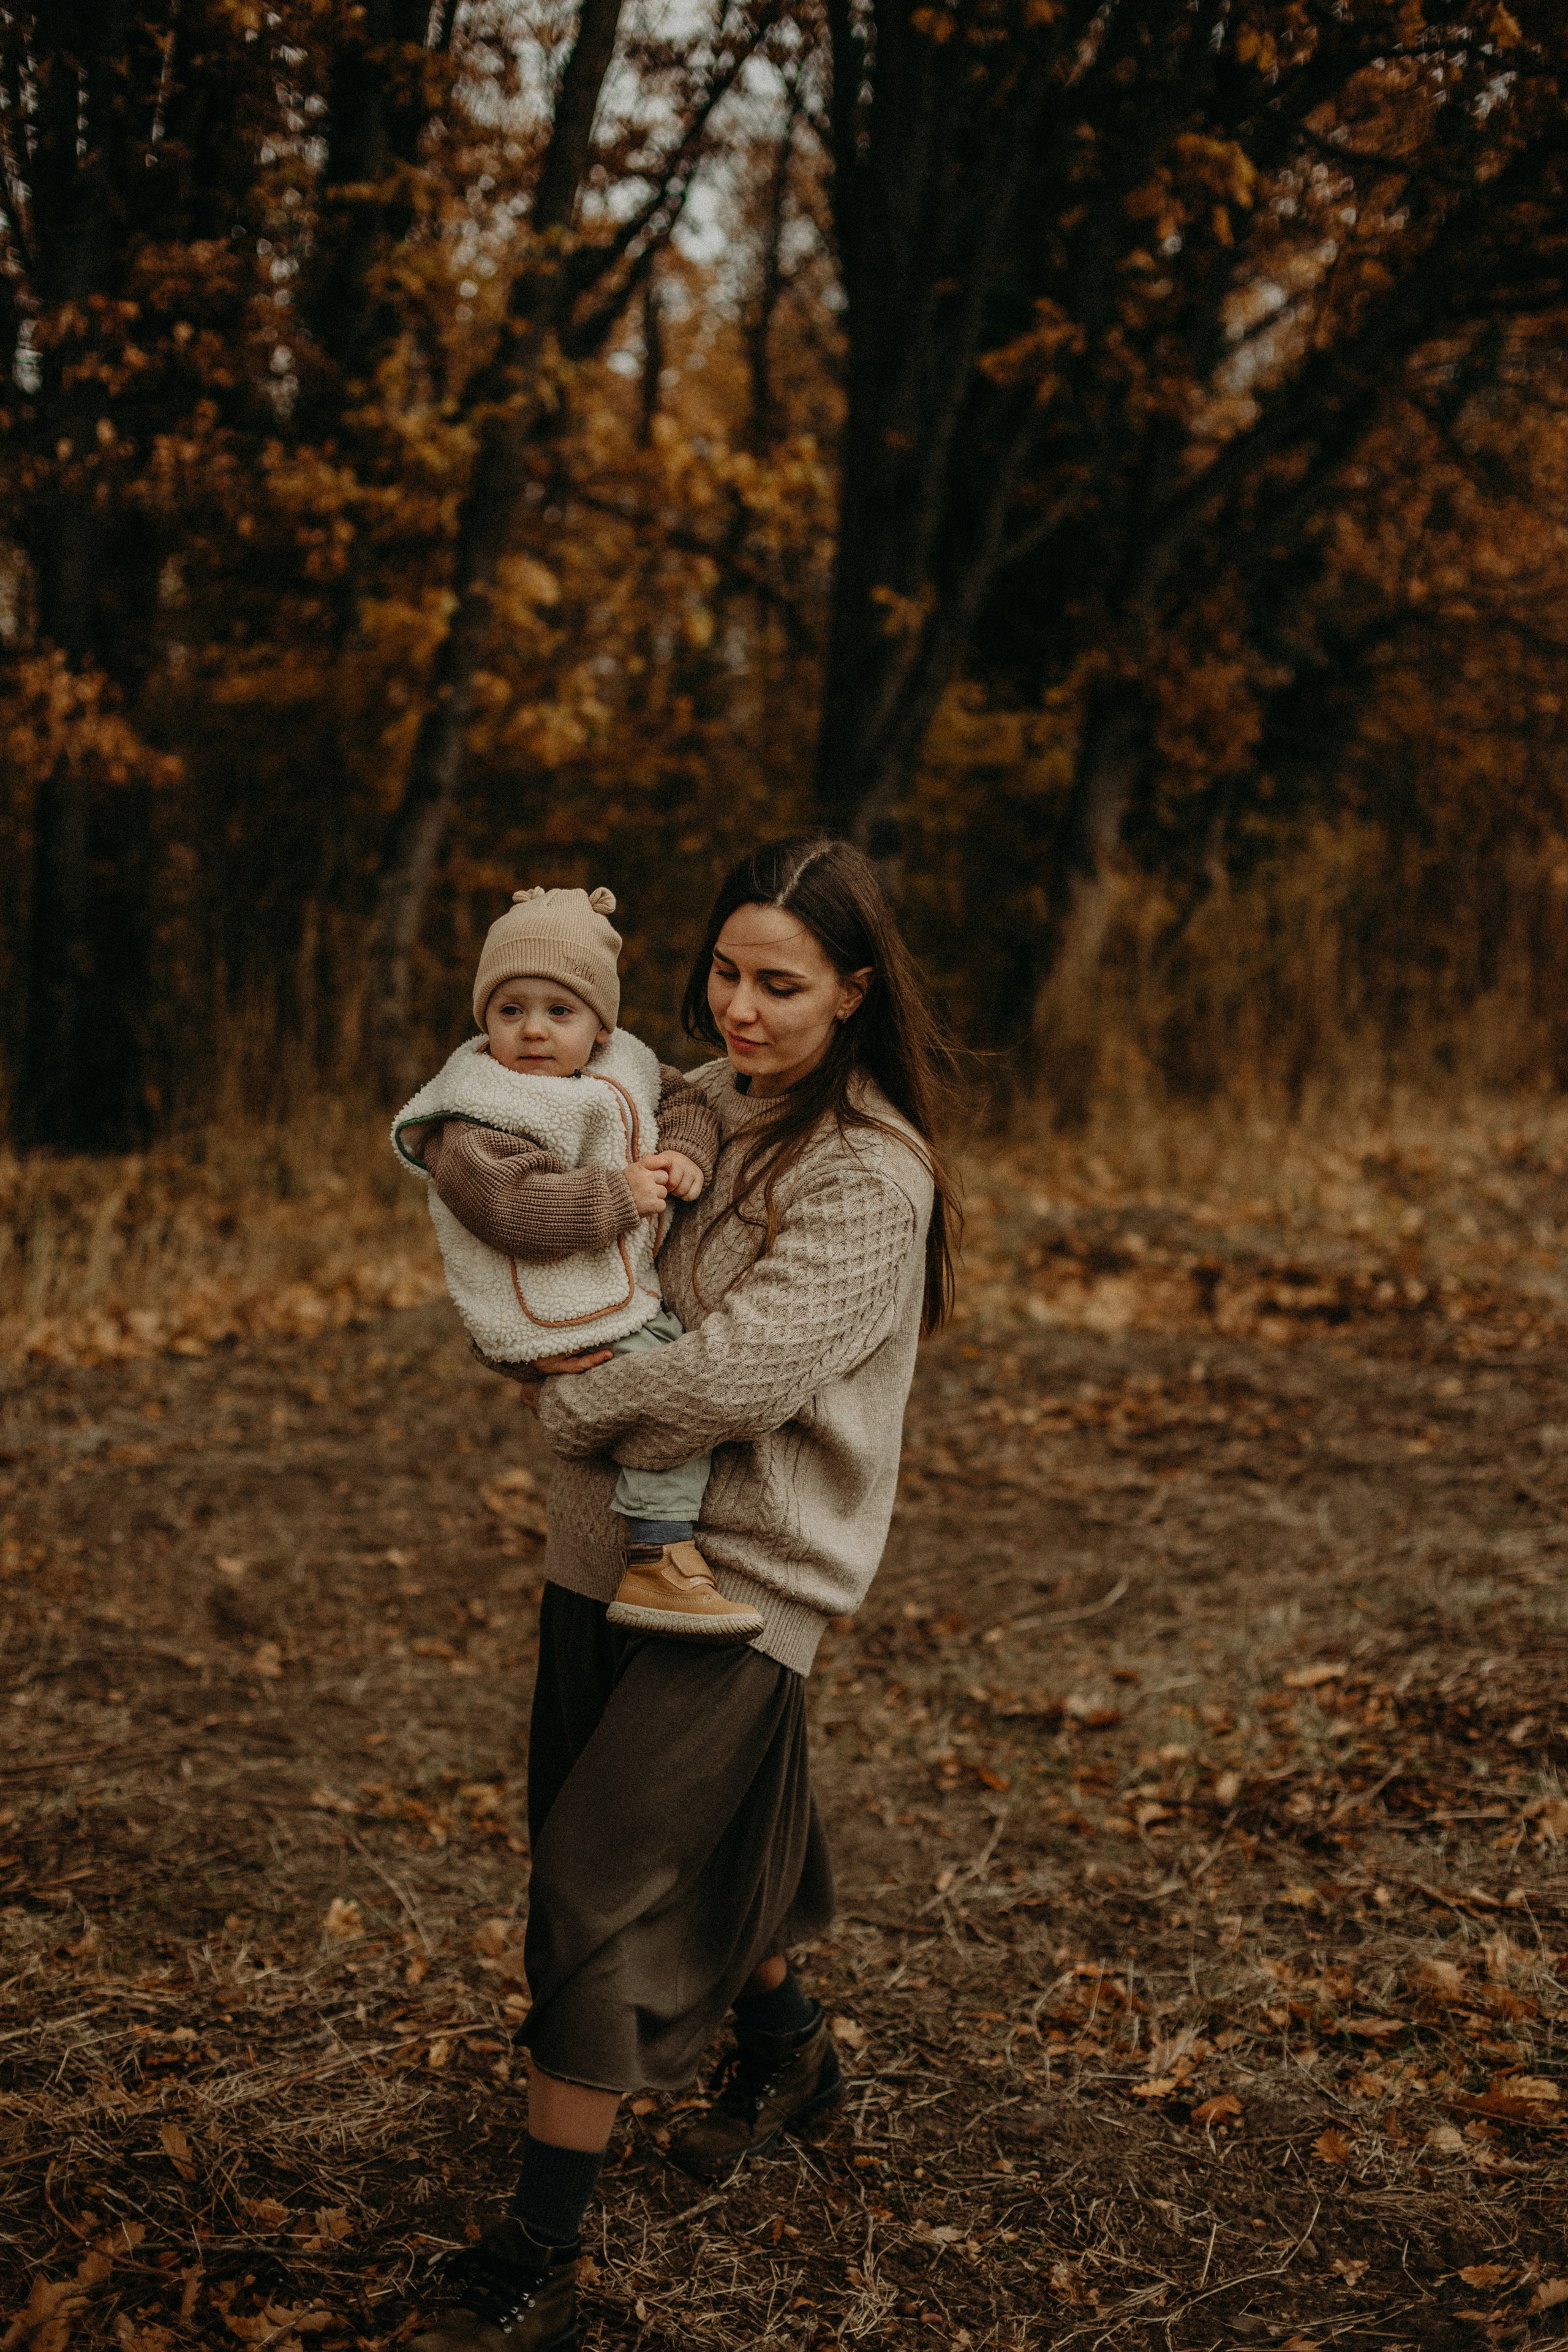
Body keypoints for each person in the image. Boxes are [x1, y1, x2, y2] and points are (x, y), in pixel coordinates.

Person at [412, 838, 960, 2352]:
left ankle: (539, 2246)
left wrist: (572, 1402)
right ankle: (785, 2053)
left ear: (852, 990)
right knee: (660, 1823)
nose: (741, 1007)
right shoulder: (677, 1101)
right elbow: (538, 1243)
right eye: (724, 971)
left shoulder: (869, 1170)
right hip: (597, 1548)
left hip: (742, 1572)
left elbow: (738, 1372)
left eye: (780, 983)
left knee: (593, 1874)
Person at [391, 883, 764, 1642]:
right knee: (669, 1388)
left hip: (606, 1290)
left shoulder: (626, 1064)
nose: (533, 1031)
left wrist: (684, 1154)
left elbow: (687, 1102)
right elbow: (510, 1207)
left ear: (599, 1024)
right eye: (509, 1011)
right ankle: (659, 1556)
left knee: (663, 1375)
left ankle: (663, 1543)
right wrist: (620, 1193)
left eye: (559, 1012)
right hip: (543, 1306)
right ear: (484, 1019)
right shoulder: (476, 1114)